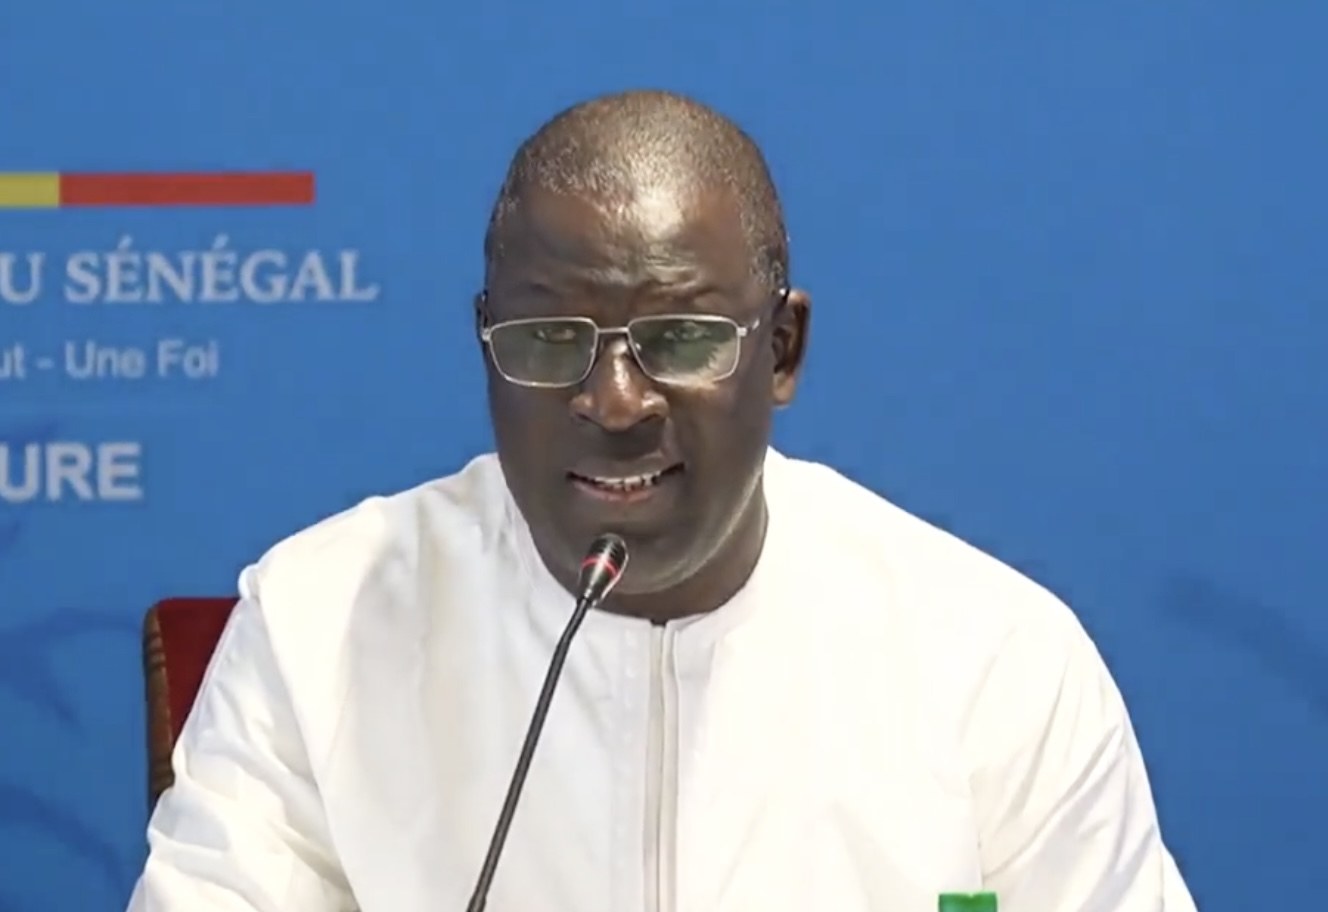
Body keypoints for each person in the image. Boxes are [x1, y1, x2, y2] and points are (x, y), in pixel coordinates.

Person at [127, 90, 1198, 912]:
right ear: (486, 348)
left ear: (782, 351)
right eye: (550, 340)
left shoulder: (990, 660)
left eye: (680, 340)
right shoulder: (320, 624)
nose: (614, 401)